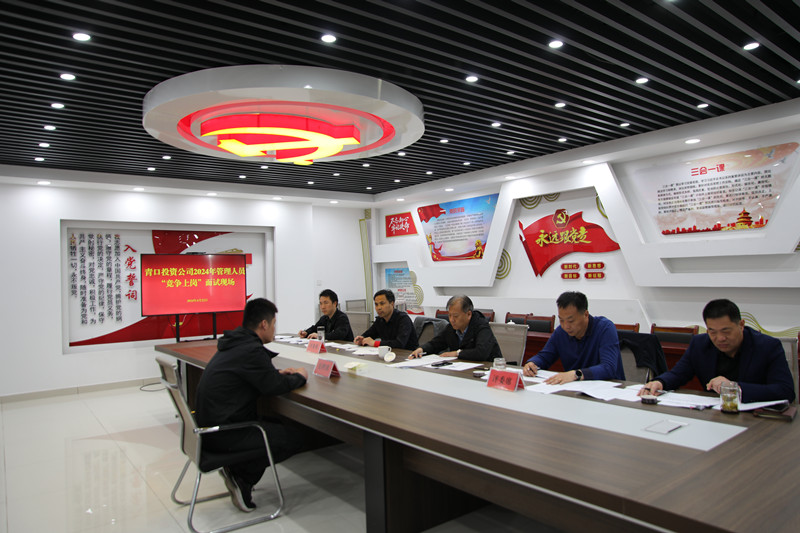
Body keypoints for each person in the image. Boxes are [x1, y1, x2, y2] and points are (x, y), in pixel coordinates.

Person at [195, 298, 309, 513]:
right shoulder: (250, 350)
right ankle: (242, 477)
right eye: (274, 324)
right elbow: (274, 386)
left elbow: (252, 375)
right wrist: (300, 376)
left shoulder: (236, 344)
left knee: (276, 424)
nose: (274, 329)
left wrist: (274, 373)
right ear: (264, 324)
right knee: (294, 438)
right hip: (224, 433)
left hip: (210, 427)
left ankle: (238, 470)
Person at [639, 299, 795, 403]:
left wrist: (734, 388)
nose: (720, 338)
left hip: (755, 419)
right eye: (712, 331)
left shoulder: (767, 346)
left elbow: (785, 391)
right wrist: (660, 382)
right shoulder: (700, 344)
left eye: (726, 331)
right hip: (714, 415)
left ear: (741, 325)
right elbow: (678, 374)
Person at [523, 291, 624, 384]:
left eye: (571, 321)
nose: (566, 326)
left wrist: (576, 374)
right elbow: (544, 357)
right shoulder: (561, 332)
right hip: (576, 389)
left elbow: (608, 368)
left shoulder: (605, 328)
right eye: (561, 320)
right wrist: (532, 363)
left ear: (585, 314)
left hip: (609, 389)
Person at [409, 295, 500, 361]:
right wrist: (422, 349)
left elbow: (481, 352)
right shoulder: (451, 328)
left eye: (456, 316)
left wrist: (457, 353)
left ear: (468, 314)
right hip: (462, 368)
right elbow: (436, 343)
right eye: (449, 315)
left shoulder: (481, 326)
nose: (452, 320)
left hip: (487, 370)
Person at [354, 289, 418, 349]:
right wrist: (362, 338)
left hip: (408, 354)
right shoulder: (380, 320)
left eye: (382, 304)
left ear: (392, 304)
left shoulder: (403, 319)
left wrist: (375, 343)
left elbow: (399, 343)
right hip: (389, 354)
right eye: (376, 304)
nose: (379, 308)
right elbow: (369, 334)